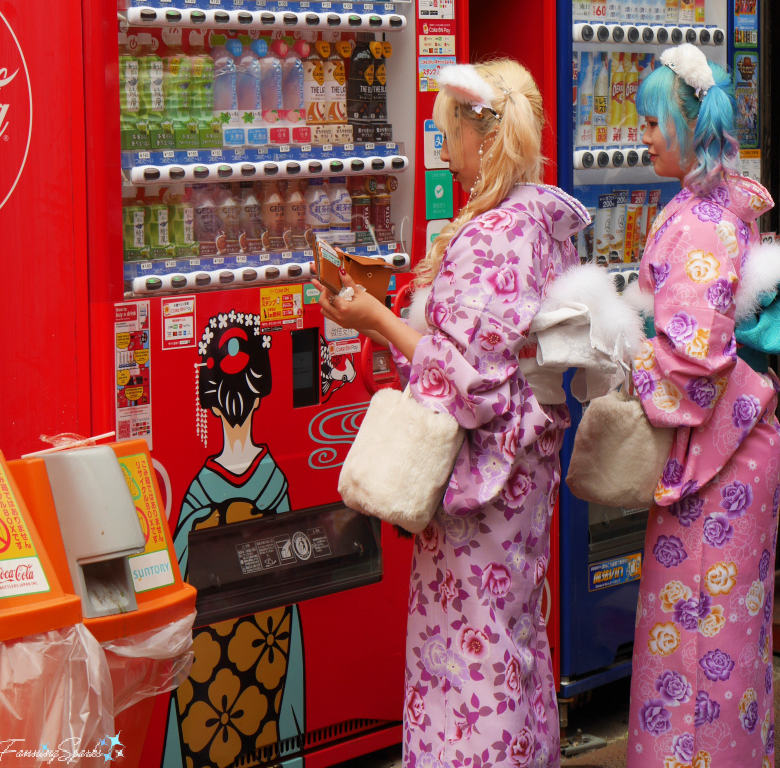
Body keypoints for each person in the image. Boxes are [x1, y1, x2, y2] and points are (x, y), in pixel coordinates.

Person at [311, 59, 590, 768]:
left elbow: (459, 379)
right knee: (512, 643)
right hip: (522, 481)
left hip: (481, 496)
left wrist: (373, 318)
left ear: (482, 134)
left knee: (468, 659)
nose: (443, 152)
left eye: (447, 134)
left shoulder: (490, 238)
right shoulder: (540, 222)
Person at [627, 43, 780, 767]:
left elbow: (691, 371)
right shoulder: (717, 207)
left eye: (654, 121)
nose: (645, 135)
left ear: (688, 126)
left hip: (713, 468)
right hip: (739, 451)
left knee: (694, 648)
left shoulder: (694, 223)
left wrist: (622, 352)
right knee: (731, 643)